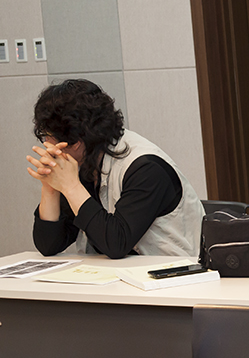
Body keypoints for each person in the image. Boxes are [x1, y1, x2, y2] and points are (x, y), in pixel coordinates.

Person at [27, 79, 205, 260]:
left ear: (76, 142)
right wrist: (50, 187)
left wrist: (71, 187)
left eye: (48, 136)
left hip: (174, 271)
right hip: (119, 274)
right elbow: (48, 245)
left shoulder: (146, 168)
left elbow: (116, 244)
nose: (46, 144)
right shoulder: (84, 161)